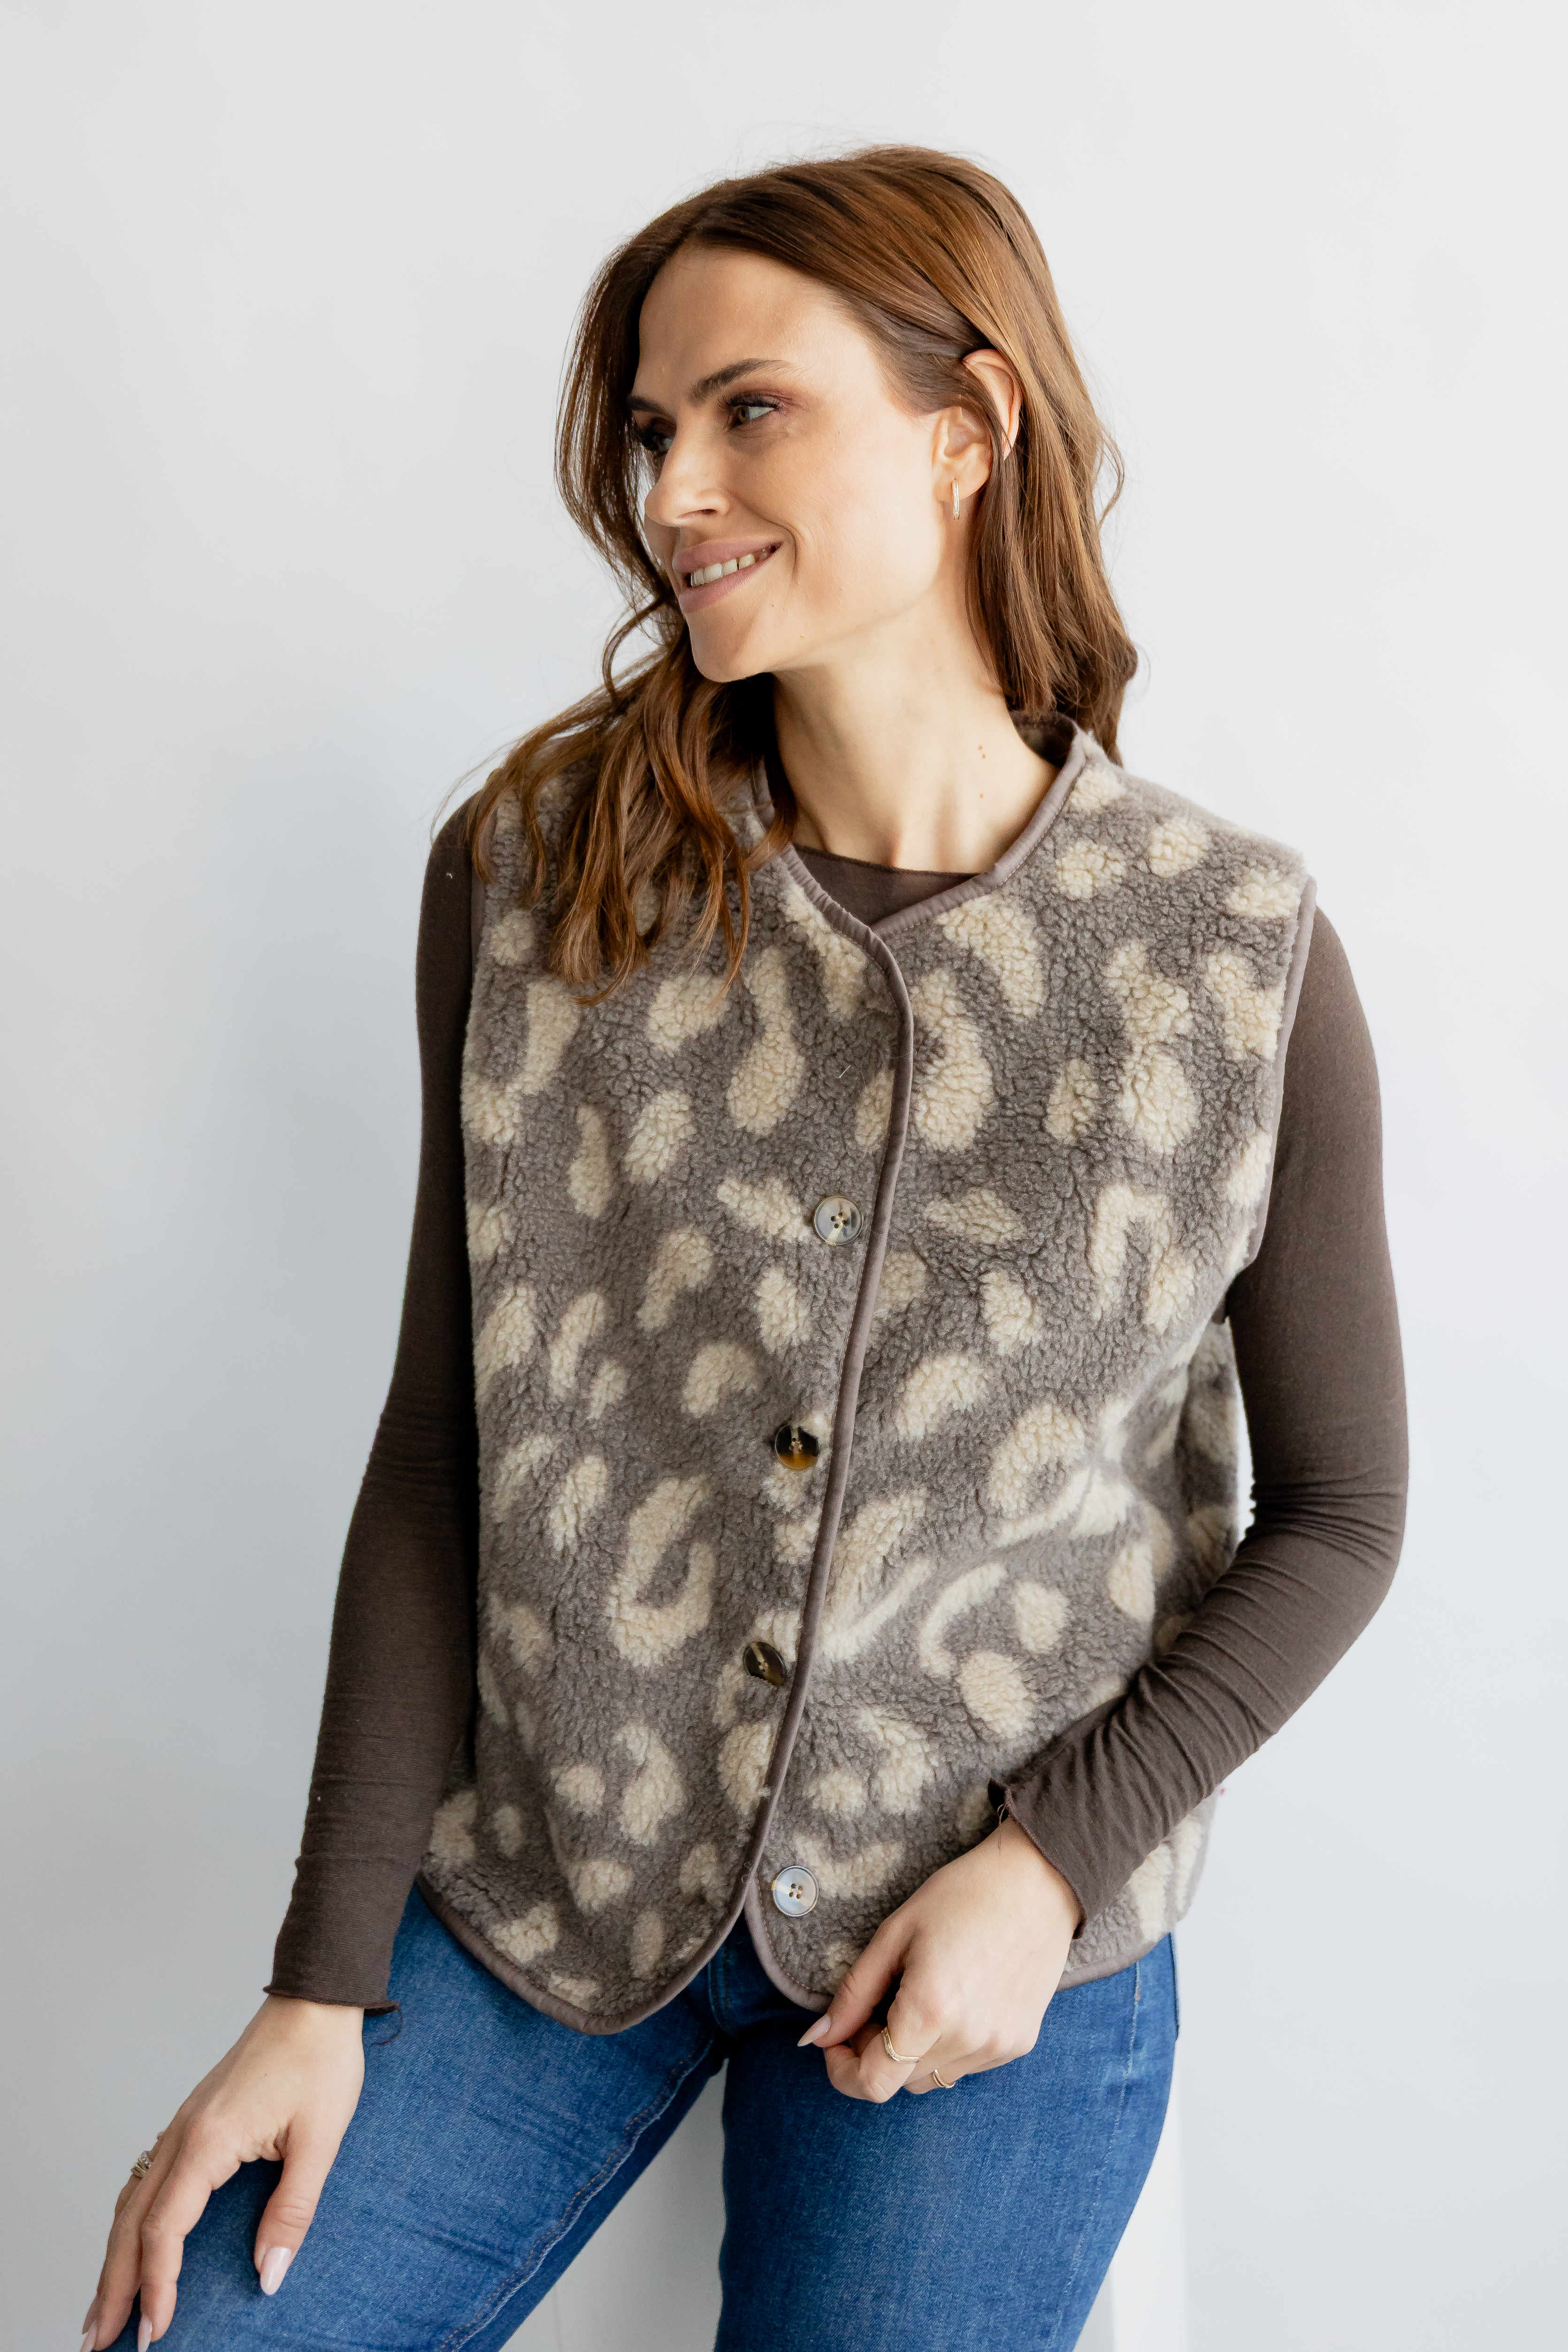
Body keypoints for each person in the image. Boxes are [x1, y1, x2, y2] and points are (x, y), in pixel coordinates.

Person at [82, 144, 1406, 2352]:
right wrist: (315, 1984)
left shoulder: (1227, 956)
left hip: (974, 1918)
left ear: (966, 427)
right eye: (647, 429)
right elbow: (443, 1452)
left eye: (746, 409)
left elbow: (1340, 1515)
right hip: (546, 1897)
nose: (671, 489)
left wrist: (1047, 1861)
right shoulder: (532, 875)